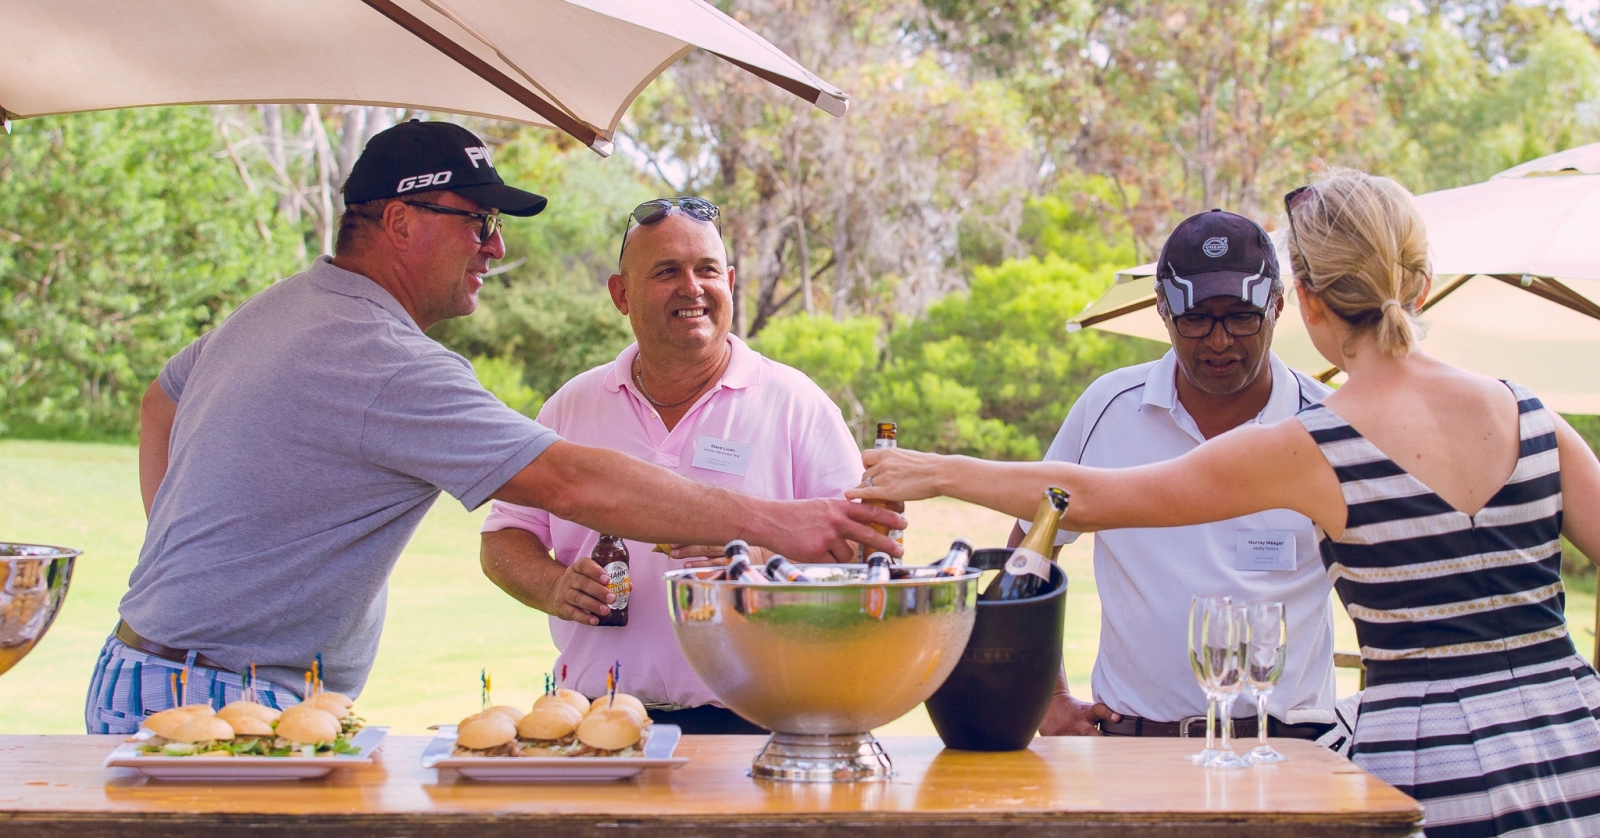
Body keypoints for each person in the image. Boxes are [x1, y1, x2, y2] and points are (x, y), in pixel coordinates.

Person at [852, 169, 1600, 837]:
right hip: (1576, 745)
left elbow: (1086, 498)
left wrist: (938, 470)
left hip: (1425, 775)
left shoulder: (1314, 443)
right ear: (1423, 282)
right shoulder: (1532, 414)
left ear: (1300, 299)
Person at [86, 122, 902, 734]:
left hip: (154, 672)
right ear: (402, 222)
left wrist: (181, 554)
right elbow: (570, 484)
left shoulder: (284, 305)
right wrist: (776, 523)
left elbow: (162, 400)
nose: (497, 247)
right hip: (221, 703)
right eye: (479, 222)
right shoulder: (387, 359)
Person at [479, 197, 864, 733]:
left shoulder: (795, 403)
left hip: (760, 721)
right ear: (621, 294)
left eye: (707, 269)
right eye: (666, 272)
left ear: (729, 281)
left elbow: (866, 554)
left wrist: (757, 552)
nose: (692, 287)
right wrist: (552, 585)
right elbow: (503, 537)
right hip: (597, 719)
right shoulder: (572, 404)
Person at [1017, 209, 1340, 744]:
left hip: (1290, 749)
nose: (1218, 341)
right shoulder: (1108, 406)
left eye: (1240, 316)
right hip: (1135, 749)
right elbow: (1032, 549)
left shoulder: (1326, 424)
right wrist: (1046, 698)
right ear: (1162, 311)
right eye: (1195, 318)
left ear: (1277, 305)